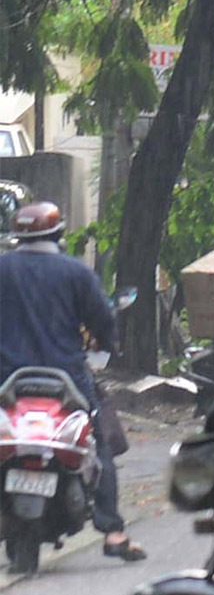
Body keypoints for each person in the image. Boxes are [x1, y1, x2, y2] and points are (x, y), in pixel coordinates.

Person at [0, 202, 146, 561]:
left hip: (6, 377)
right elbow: (102, 321)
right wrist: (108, 340)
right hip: (66, 376)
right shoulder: (76, 273)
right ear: (59, 235)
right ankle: (112, 531)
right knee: (98, 440)